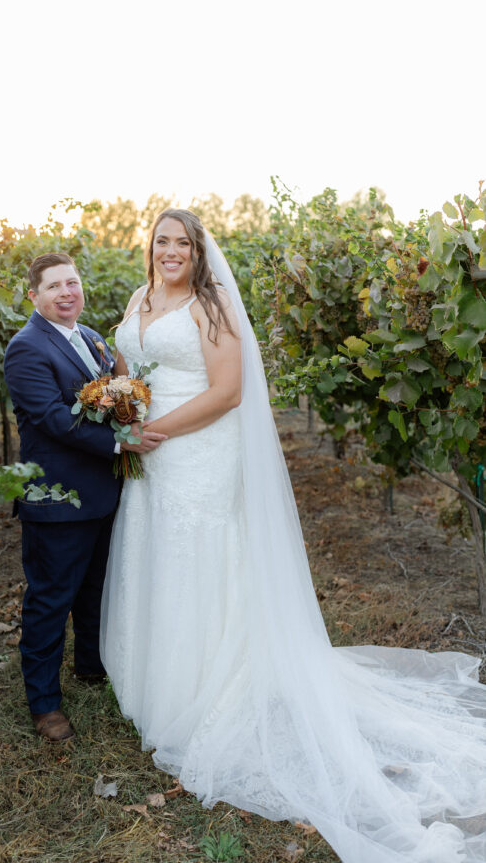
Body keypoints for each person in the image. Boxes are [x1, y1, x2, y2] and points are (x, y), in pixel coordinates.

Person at [101, 209, 486, 863]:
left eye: (181, 244)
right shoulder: (140, 298)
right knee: (154, 550)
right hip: (148, 454)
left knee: (198, 555)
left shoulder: (211, 304)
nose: (170, 252)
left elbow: (227, 392)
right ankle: (148, 678)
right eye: (161, 242)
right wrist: (121, 403)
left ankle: (202, 684)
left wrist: (158, 430)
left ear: (197, 252)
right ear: (152, 249)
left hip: (196, 451)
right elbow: (127, 365)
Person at [3, 252, 165, 742]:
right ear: (34, 296)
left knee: (96, 587)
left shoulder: (92, 337)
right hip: (57, 497)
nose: (66, 292)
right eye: (54, 286)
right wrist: (120, 442)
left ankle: (91, 666)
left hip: (101, 489)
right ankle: (44, 704)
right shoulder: (26, 348)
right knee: (51, 599)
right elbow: (53, 419)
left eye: (72, 283)